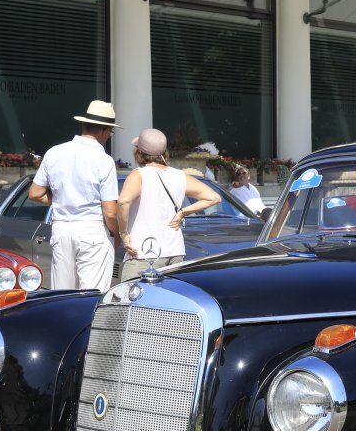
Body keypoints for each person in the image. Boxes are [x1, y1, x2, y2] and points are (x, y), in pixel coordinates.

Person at [29, 100, 122, 290]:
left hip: (61, 229)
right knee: (92, 294)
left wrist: (62, 197)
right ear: (104, 131)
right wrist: (117, 234)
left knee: (63, 294)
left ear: (84, 125)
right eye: (110, 132)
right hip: (92, 229)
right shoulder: (104, 160)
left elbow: (35, 194)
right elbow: (110, 212)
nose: (109, 137)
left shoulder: (54, 152)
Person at [117, 129, 220, 280]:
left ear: (139, 152)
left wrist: (124, 234)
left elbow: (123, 202)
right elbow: (214, 197)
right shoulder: (179, 175)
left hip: (144, 251)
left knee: (135, 294)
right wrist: (182, 212)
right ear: (164, 152)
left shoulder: (139, 175)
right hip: (175, 251)